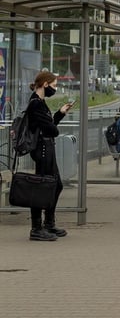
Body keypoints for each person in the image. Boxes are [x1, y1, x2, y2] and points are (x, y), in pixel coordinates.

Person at [23, 71, 75, 241]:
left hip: (47, 147)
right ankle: (37, 228)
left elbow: (49, 125)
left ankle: (48, 223)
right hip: (42, 149)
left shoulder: (40, 102)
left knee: (55, 185)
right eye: (53, 85)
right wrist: (53, 126)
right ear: (45, 84)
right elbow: (51, 129)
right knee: (42, 186)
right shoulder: (36, 104)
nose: (55, 88)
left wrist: (60, 113)